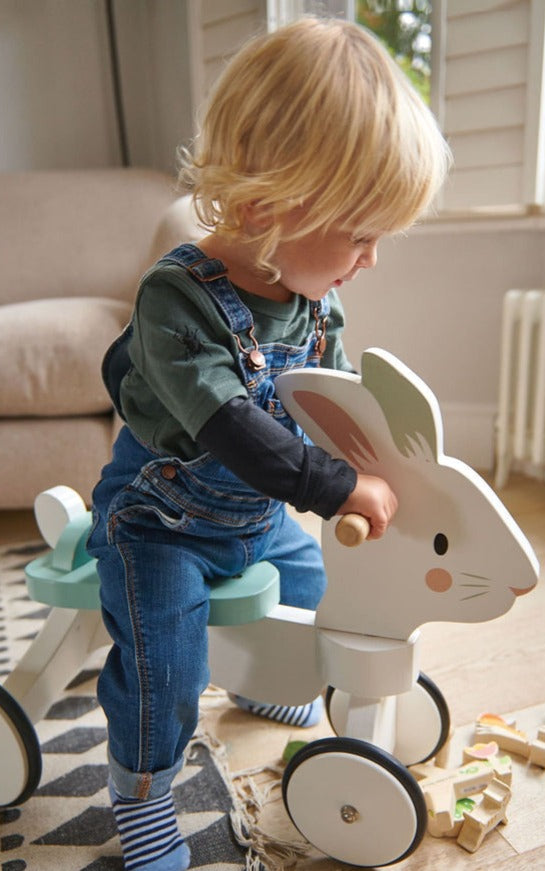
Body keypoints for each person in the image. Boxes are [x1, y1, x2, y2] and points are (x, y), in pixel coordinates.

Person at [86, 15, 451, 870]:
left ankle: (263, 678)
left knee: (322, 596)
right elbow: (231, 427)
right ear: (266, 207)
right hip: (163, 522)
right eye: (360, 235)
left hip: (257, 517)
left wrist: (386, 459)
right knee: (165, 666)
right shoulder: (174, 301)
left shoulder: (314, 298)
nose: (369, 260)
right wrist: (332, 485)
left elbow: (335, 397)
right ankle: (140, 791)